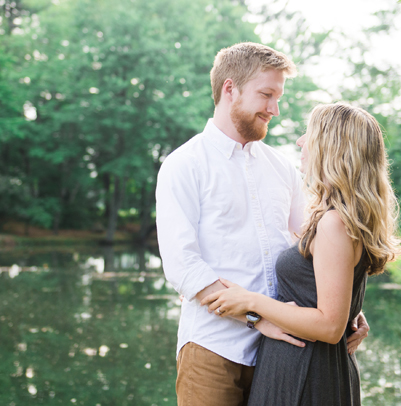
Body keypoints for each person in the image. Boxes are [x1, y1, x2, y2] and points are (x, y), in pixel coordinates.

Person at [156, 43, 369, 406]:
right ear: (230, 89)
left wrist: (346, 305)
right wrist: (256, 317)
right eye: (266, 95)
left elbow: (315, 245)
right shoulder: (184, 165)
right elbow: (183, 267)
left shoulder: (282, 167)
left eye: (278, 97)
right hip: (214, 348)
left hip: (282, 353)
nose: (275, 109)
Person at [201, 103, 401, 405]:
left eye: (308, 133)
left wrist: (252, 301)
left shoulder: (335, 222)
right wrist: (350, 310)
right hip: (308, 366)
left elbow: (330, 326)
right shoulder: (341, 216)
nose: (300, 141)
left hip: (306, 373)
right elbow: (328, 293)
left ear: (330, 146)